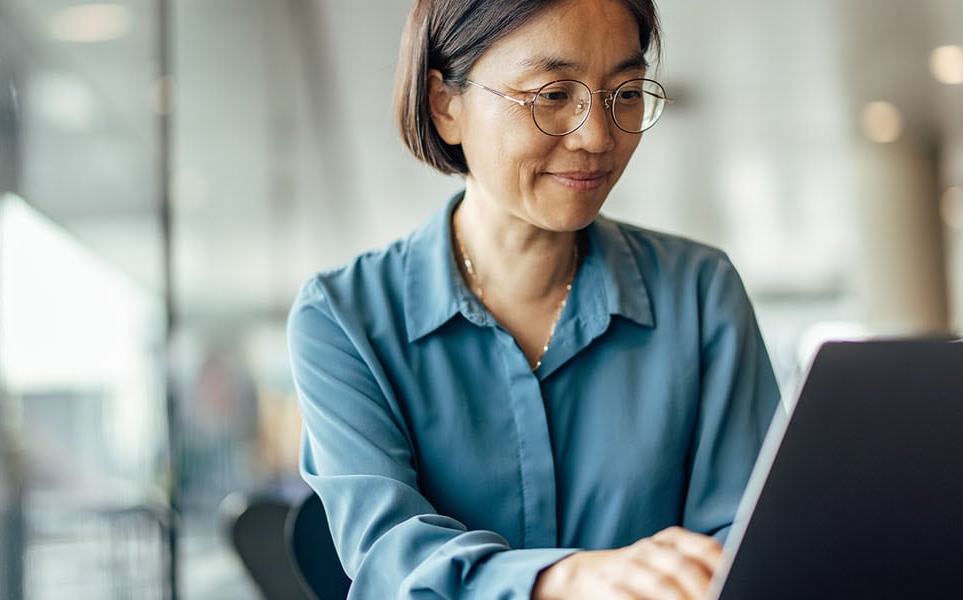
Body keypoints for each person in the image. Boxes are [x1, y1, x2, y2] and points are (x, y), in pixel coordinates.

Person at [286, 0, 781, 597]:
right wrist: (562, 580)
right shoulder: (345, 319)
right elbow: (390, 556)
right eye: (552, 94)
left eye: (624, 93)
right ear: (446, 105)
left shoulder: (700, 294)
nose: (597, 136)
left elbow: (750, 541)